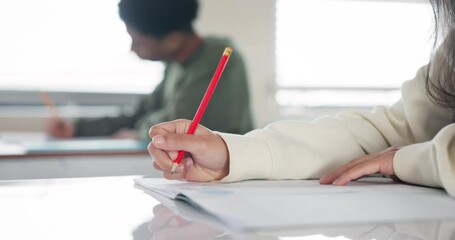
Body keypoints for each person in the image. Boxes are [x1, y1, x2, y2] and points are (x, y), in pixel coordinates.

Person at [147, 0, 455, 198]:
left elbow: (395, 149)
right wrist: (232, 154)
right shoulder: (450, 52)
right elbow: (390, 133)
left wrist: (406, 160)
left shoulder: (212, 54)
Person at [47, 0, 253, 140]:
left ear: (173, 39)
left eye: (138, 42)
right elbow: (141, 113)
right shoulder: (174, 63)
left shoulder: (218, 57)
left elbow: (180, 122)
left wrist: (138, 132)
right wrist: (77, 128)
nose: (132, 48)